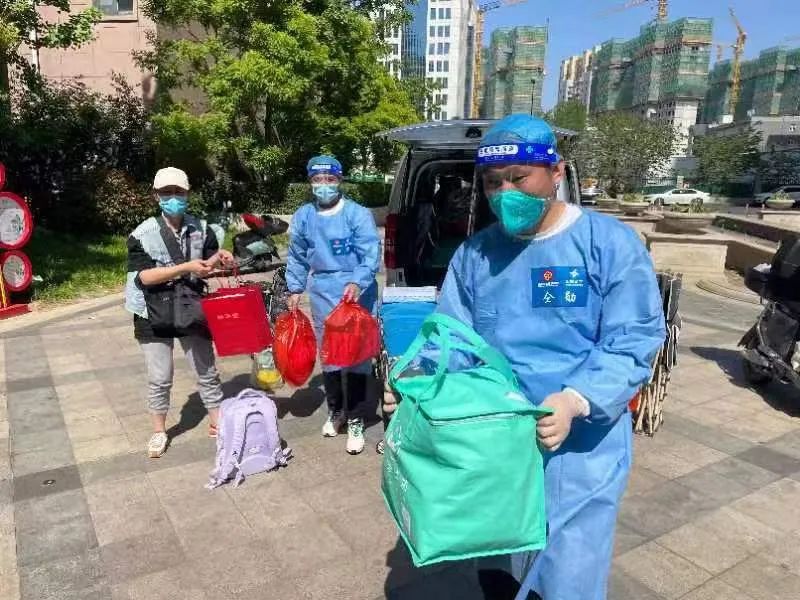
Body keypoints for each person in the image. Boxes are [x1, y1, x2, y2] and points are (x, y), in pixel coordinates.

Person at [434, 115, 666, 600]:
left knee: (566, 575)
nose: (505, 193)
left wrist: (575, 399)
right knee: (498, 562)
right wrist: (418, 385)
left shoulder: (607, 244)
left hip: (581, 447)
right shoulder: (477, 255)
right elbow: (452, 340)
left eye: (519, 178)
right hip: (500, 442)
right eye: (493, 183)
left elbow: (633, 337)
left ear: (555, 173)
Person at [125, 167, 234, 458]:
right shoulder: (142, 234)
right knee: (160, 376)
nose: (173, 197)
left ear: (187, 194)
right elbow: (144, 277)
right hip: (152, 310)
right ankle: (159, 431)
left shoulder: (202, 229)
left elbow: (206, 266)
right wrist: (185, 267)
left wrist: (219, 259)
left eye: (178, 192)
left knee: (205, 369)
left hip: (190, 305)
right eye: (166, 192)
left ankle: (217, 420)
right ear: (156, 196)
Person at [286, 155, 381, 455]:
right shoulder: (304, 216)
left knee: (356, 357)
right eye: (317, 180)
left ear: (339, 180)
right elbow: (297, 255)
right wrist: (294, 288)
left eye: (329, 179)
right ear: (310, 182)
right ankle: (336, 410)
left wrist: (358, 281)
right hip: (324, 292)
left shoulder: (357, 214)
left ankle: (356, 419)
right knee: (330, 356)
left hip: (356, 293)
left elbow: (370, 253)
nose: (323, 185)